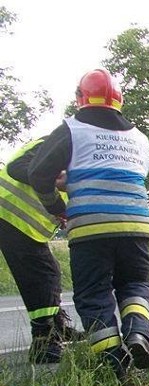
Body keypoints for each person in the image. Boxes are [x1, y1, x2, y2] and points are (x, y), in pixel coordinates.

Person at [28, 68, 149, 378]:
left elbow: (37, 173)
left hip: (91, 230)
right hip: (137, 226)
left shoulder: (72, 129)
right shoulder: (140, 138)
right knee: (134, 286)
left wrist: (58, 206)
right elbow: (125, 174)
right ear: (118, 101)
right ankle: (138, 334)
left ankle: (113, 360)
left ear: (81, 98)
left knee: (94, 294)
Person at [0, 139, 84, 363]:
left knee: (48, 272)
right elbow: (17, 167)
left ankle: (55, 327)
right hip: (9, 213)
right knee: (44, 275)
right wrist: (57, 205)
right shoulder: (61, 143)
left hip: (20, 221)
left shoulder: (78, 152)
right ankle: (44, 341)